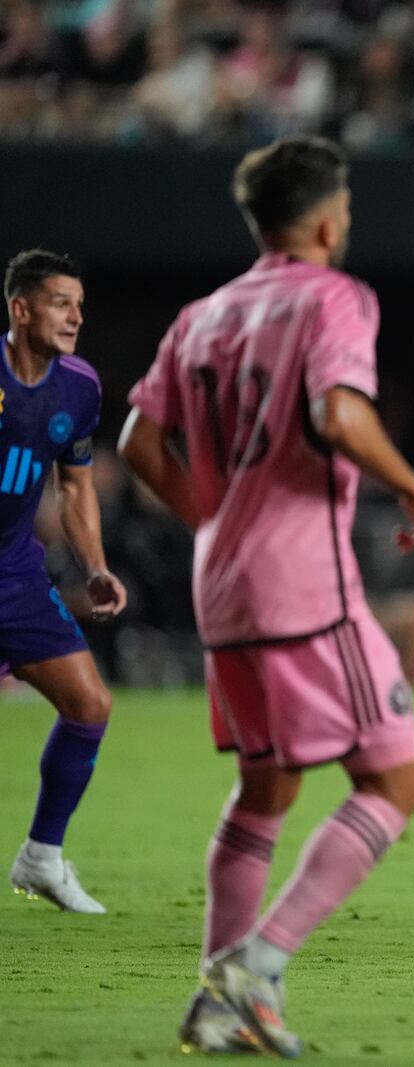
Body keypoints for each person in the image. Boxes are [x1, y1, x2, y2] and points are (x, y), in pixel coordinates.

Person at [119, 135, 414, 1057]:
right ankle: (255, 967)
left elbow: (141, 441)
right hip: (305, 581)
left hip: (220, 581)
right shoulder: (335, 296)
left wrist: (216, 521)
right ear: (330, 217)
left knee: (264, 788)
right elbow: (338, 414)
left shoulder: (203, 314)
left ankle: (219, 1001)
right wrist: (413, 486)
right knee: (395, 778)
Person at [2, 249, 127, 914]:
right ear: (20, 309)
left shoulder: (78, 386)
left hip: (14, 568)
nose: (76, 315)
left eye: (79, 304)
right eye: (60, 302)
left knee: (89, 706)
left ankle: (41, 856)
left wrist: (96, 564)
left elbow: (75, 487)